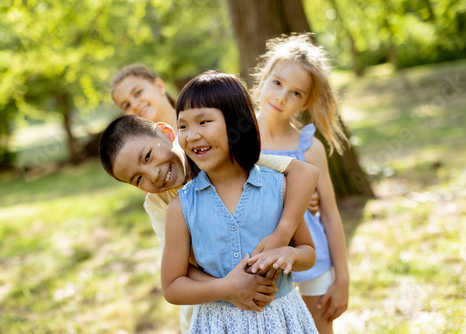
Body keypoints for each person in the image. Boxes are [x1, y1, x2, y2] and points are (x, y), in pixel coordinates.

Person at [99, 114, 320, 332]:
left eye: (147, 156)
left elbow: (304, 173)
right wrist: (229, 288)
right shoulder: (161, 204)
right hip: (212, 306)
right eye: (138, 179)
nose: (153, 174)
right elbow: (180, 269)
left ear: (166, 133)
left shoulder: (223, 156)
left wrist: (281, 234)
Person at [161, 71, 319, 333]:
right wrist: (227, 288)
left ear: (236, 122)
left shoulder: (278, 187)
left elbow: (308, 253)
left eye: (204, 121)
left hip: (282, 321)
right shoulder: (181, 207)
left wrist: (289, 253)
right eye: (183, 125)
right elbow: (172, 286)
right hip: (218, 324)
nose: (191, 135)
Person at [252, 33, 350, 333]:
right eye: (278, 83)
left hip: (312, 258)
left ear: (306, 101)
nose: (281, 97)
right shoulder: (238, 138)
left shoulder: (310, 148)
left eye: (296, 93)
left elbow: (330, 215)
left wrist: (342, 279)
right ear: (264, 77)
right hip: (258, 259)